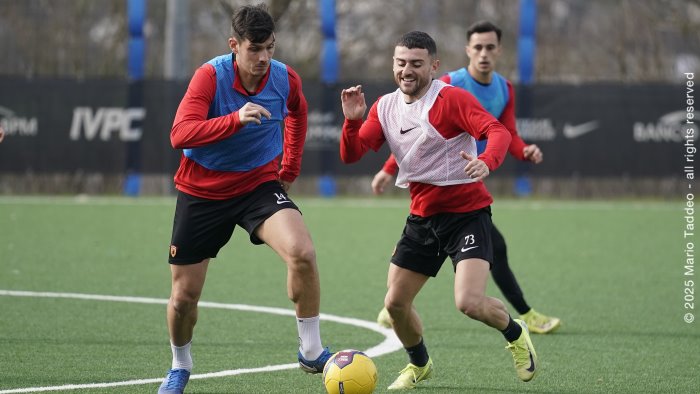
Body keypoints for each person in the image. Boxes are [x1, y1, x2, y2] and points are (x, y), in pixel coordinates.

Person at [340, 31, 538, 390]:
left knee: (469, 302)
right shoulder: (384, 106)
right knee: (395, 304)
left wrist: (487, 160)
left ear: (434, 66)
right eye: (401, 63)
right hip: (422, 219)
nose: (407, 70)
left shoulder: (451, 100)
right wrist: (352, 121)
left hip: (467, 216)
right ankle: (420, 364)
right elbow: (352, 154)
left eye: (416, 64)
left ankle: (514, 332)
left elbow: (497, 131)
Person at [158, 4, 331, 393]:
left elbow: (298, 114)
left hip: (258, 186)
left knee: (302, 252)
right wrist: (234, 119)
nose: (264, 58)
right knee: (184, 297)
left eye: (270, 47)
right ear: (234, 45)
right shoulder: (209, 77)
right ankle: (180, 367)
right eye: (255, 49)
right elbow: (179, 135)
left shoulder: (285, 79)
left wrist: (289, 169)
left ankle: (311, 349)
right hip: (202, 191)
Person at [374, 21, 561, 335]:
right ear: (467, 50)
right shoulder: (446, 84)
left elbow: (508, 133)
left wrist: (523, 150)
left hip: (471, 180)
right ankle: (525, 316)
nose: (484, 54)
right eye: (478, 47)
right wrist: (388, 169)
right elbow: (414, 136)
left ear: (499, 50)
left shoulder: (504, 88)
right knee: (491, 247)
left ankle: (395, 304)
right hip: (442, 186)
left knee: (491, 249)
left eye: (490, 47)